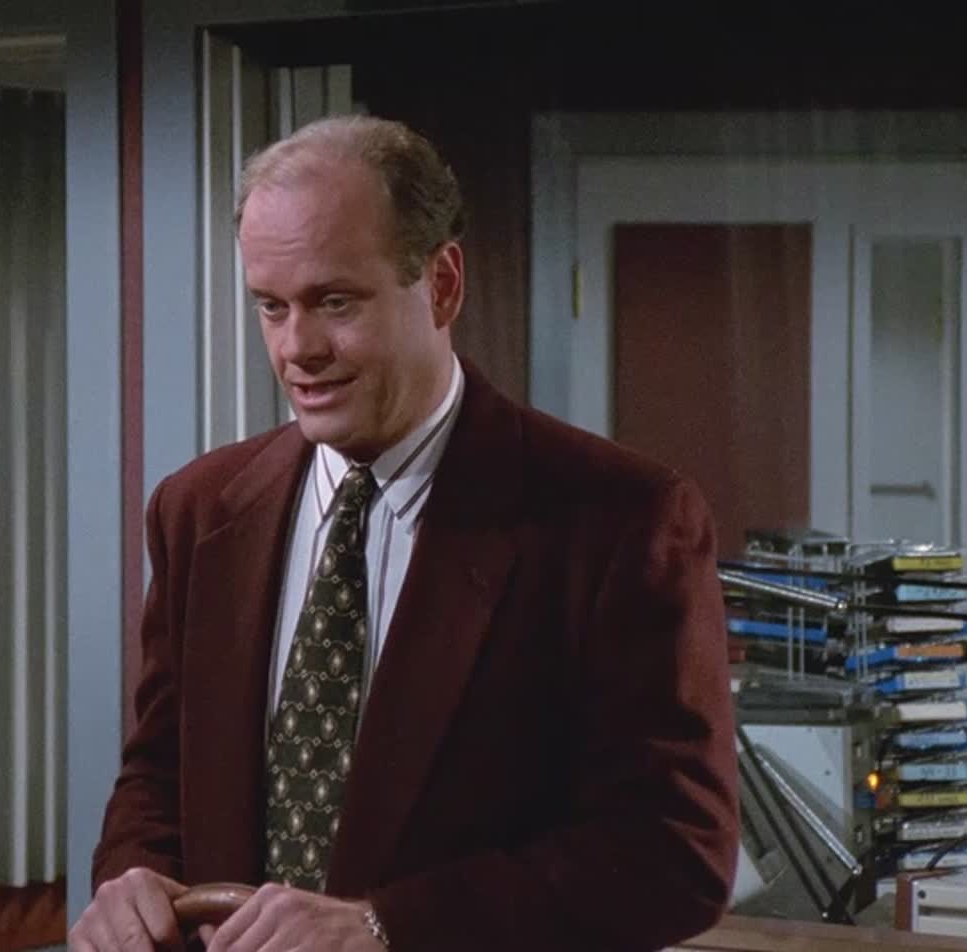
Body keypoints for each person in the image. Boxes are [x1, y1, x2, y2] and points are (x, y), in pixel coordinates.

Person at [71, 116, 739, 952]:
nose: (298, 349)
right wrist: (131, 875)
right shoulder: (200, 511)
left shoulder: (617, 520)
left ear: (443, 285)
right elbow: (158, 777)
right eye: (271, 307)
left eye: (335, 302)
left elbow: (672, 854)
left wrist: (389, 928)